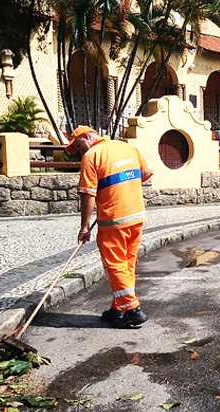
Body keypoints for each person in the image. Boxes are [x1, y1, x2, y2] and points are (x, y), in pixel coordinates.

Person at [66, 126, 153, 328]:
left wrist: (84, 228)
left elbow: (87, 195)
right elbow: (147, 173)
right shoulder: (126, 148)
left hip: (114, 221)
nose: (81, 152)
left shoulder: (91, 156)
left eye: (80, 146)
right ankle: (118, 309)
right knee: (127, 264)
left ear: (87, 137)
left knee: (115, 265)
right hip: (136, 216)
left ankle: (133, 310)